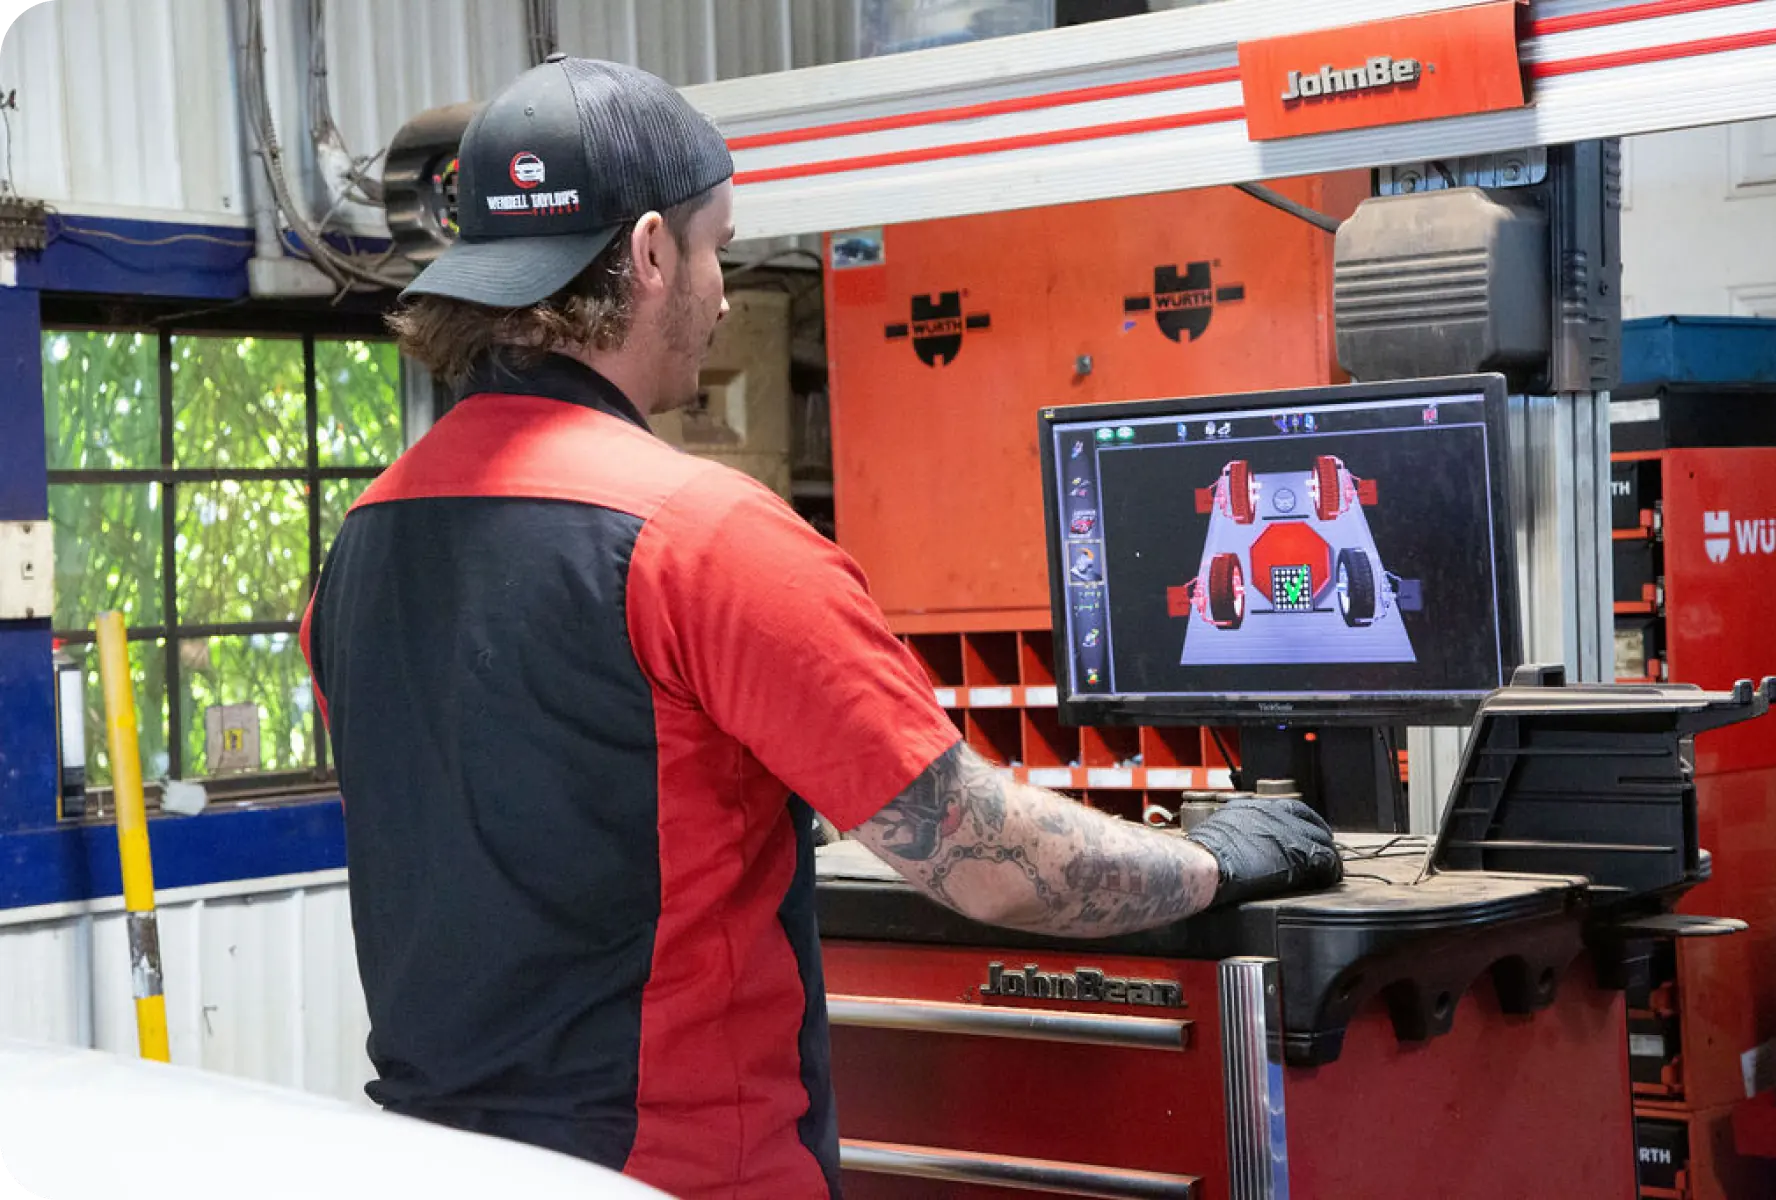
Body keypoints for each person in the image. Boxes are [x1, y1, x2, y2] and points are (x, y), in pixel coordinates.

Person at [300, 55, 1341, 1200]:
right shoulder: (700, 536)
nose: (721, 291)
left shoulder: (362, 542)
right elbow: (986, 866)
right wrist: (1215, 858)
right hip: (677, 1175)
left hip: (435, 1168)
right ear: (651, 254)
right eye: (720, 249)